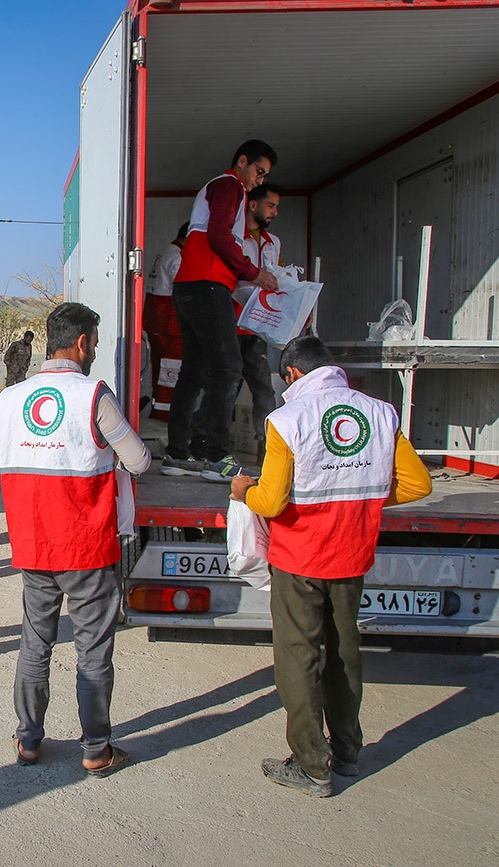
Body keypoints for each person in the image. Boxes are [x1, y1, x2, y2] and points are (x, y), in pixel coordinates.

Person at [231, 336, 431, 798]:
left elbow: (273, 500)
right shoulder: (381, 413)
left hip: (300, 558)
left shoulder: (287, 419)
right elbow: (417, 485)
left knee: (298, 659)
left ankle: (311, 764)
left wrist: (244, 493)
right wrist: (364, 495)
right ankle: (346, 753)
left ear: (295, 375)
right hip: (352, 554)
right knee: (344, 652)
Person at [0, 302, 151, 774]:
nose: (95, 351)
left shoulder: (10, 398)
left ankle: (28, 742)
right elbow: (138, 460)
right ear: (82, 343)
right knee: (92, 650)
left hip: (34, 546)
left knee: (35, 643)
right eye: (95, 343)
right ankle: (96, 749)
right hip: (87, 548)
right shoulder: (94, 394)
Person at [163, 139, 279, 483]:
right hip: (206, 284)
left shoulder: (221, 189)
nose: (259, 179)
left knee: (194, 370)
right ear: (242, 161)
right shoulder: (229, 185)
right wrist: (253, 271)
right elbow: (219, 236)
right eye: (259, 171)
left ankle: (177, 453)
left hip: (192, 286)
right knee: (228, 368)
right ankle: (216, 456)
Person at [235, 183, 283, 463]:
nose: (275, 212)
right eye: (270, 205)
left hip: (258, 327)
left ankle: (266, 446)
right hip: (230, 321)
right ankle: (205, 443)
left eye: (276, 207)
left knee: (263, 385)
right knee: (223, 383)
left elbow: (277, 278)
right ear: (253, 205)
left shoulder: (273, 242)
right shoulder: (235, 238)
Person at [145, 222, 188, 421]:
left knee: (161, 373)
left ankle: (162, 414)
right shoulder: (178, 256)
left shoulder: (166, 251)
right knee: (169, 376)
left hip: (158, 322)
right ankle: (164, 418)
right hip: (168, 326)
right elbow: (183, 290)